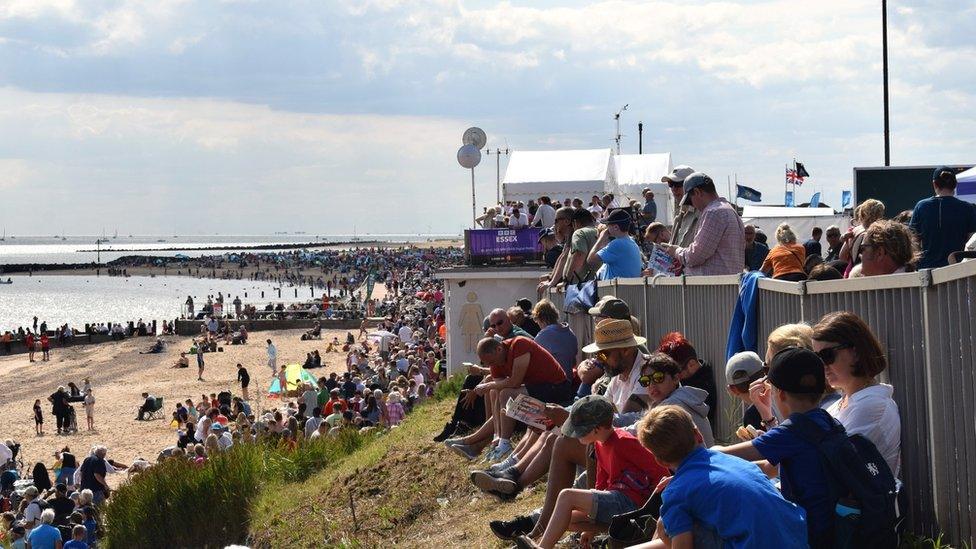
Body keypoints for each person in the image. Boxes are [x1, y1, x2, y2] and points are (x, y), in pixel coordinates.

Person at [632, 405, 809, 549]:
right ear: (698, 435)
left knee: (665, 525)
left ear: (660, 461)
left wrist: (666, 538)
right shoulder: (731, 460)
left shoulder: (675, 493)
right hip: (799, 538)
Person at [714, 347, 835, 547]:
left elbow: (725, 455)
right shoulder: (826, 421)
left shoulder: (793, 431)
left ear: (780, 394)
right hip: (830, 527)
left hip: (809, 535)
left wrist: (697, 455)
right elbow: (779, 459)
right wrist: (768, 416)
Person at [513, 395, 669, 549]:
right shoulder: (599, 444)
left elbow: (660, 470)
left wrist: (654, 508)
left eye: (579, 430)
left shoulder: (624, 441)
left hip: (632, 504)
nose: (574, 434)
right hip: (617, 502)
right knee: (565, 518)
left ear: (597, 428)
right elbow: (601, 483)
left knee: (567, 496)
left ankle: (542, 547)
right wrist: (589, 530)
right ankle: (622, 533)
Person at [813, 311, 901, 475]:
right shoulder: (842, 403)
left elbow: (826, 462)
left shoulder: (873, 405)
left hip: (854, 500)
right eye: (816, 358)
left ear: (856, 352)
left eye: (827, 355)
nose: (822, 365)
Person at [660, 173, 744, 275]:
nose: (693, 205)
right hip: (726, 284)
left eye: (690, 200)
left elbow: (695, 256)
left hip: (712, 287)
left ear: (697, 192)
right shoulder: (729, 210)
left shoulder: (713, 212)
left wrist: (676, 251)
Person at [910, 166, 976, 269]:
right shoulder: (967, 208)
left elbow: (913, 241)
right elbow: (972, 242)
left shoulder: (921, 206)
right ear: (955, 184)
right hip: (959, 271)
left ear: (934, 184)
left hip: (927, 271)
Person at [530, 300, 578, 383]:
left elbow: (531, 362)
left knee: (508, 391)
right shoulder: (570, 332)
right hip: (569, 381)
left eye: (536, 320)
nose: (537, 324)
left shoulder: (544, 335)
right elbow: (573, 362)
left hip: (553, 385)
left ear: (541, 318)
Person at [588, 208, 643, 280]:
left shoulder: (617, 244)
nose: (606, 228)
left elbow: (590, 260)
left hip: (615, 290)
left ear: (616, 227)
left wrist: (601, 238)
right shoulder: (632, 241)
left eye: (608, 225)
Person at [854, 219, 920, 276]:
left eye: (863, 248)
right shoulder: (913, 283)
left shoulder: (907, 287)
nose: (860, 255)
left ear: (880, 253)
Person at [663, 165, 699, 247]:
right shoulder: (680, 214)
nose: (674, 189)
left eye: (678, 184)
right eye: (670, 184)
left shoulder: (703, 214)